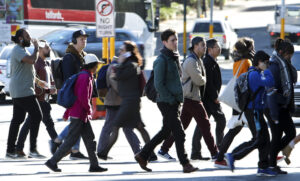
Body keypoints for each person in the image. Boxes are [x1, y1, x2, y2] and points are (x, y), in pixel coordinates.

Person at [135, 29, 198, 173]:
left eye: (176, 40)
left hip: (175, 101)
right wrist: (170, 99)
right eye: (172, 40)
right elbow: (159, 84)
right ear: (164, 42)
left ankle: (143, 155)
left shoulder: (175, 57)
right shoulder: (161, 60)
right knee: (179, 133)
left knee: (165, 131)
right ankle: (185, 163)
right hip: (165, 101)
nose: (175, 43)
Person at [157, 36, 218, 162]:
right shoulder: (191, 61)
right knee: (205, 125)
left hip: (191, 97)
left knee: (181, 126)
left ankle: (164, 149)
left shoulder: (197, 59)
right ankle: (215, 153)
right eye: (202, 45)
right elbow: (199, 80)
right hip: (191, 98)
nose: (204, 47)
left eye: (205, 45)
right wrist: (205, 78)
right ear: (195, 46)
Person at [45, 54, 107, 173]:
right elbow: (82, 97)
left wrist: (68, 112)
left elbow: (75, 97)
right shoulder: (85, 77)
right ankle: (52, 161)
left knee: (89, 139)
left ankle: (94, 165)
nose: (97, 67)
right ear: (92, 65)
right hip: (79, 115)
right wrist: (89, 110)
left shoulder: (85, 75)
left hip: (80, 114)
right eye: (96, 65)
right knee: (71, 141)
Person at [225, 51, 277, 176]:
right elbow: (270, 82)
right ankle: (233, 155)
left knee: (265, 139)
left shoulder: (257, 73)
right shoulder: (254, 75)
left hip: (256, 110)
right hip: (253, 112)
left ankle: (263, 167)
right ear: (259, 62)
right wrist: (267, 71)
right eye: (266, 62)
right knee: (258, 139)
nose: (267, 65)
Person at [97, 55, 157, 161]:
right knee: (119, 128)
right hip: (116, 103)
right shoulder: (115, 68)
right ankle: (102, 151)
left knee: (123, 128)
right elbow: (116, 84)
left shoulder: (127, 67)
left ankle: (104, 151)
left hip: (120, 102)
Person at [6, 28, 48, 158]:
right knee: (37, 116)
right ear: (20, 38)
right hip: (23, 90)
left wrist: (38, 81)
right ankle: (32, 150)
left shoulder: (22, 50)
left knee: (18, 119)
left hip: (20, 89)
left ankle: (12, 150)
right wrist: (36, 48)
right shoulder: (17, 50)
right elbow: (31, 60)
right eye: (27, 36)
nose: (30, 38)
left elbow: (25, 70)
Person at [214, 37, 254, 168]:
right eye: (252, 47)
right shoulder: (247, 62)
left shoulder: (237, 62)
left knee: (234, 130)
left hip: (237, 101)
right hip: (246, 102)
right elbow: (250, 81)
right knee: (258, 132)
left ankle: (220, 158)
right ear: (248, 49)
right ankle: (270, 157)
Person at [49, 30, 89, 159]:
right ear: (74, 41)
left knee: (78, 121)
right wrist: (76, 95)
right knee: (77, 122)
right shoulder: (69, 57)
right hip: (74, 95)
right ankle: (58, 140)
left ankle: (75, 150)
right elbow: (69, 79)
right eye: (81, 39)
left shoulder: (82, 55)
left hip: (81, 93)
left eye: (85, 39)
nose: (84, 41)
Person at [15, 40, 57, 158]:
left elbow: (50, 80)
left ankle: (19, 148)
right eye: (46, 48)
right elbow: (33, 82)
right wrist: (46, 90)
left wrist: (52, 88)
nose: (49, 49)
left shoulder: (46, 64)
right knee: (48, 123)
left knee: (31, 123)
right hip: (39, 99)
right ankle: (59, 145)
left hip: (45, 99)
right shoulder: (36, 64)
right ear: (40, 50)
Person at [190, 38, 226, 160]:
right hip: (209, 99)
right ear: (210, 50)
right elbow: (208, 83)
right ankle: (220, 149)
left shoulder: (212, 61)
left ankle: (196, 152)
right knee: (220, 121)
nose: (219, 48)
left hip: (209, 99)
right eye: (217, 47)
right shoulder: (208, 62)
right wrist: (215, 97)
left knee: (202, 125)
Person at [267, 38, 297, 174]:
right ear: (280, 52)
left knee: (290, 132)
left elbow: (292, 80)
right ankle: (270, 162)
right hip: (275, 107)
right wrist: (273, 114)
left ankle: (271, 157)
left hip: (283, 106)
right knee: (278, 135)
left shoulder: (284, 64)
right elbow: (270, 91)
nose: (289, 57)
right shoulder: (274, 66)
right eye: (288, 55)